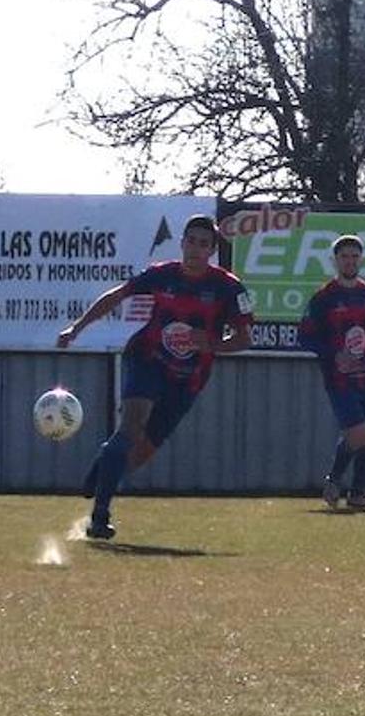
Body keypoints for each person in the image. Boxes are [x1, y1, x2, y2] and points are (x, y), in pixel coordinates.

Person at [56, 214, 253, 539]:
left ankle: (104, 463)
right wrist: (75, 329)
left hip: (188, 378)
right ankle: (100, 517)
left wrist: (213, 343)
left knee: (139, 454)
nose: (196, 249)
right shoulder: (162, 275)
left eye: (204, 244)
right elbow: (116, 297)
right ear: (182, 243)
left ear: (212, 251)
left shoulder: (228, 287)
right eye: (191, 241)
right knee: (131, 428)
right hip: (147, 359)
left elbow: (245, 339)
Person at [298, 234, 365, 511]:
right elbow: (305, 338)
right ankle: (334, 480)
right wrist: (334, 353)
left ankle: (358, 494)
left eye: (355, 256)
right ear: (335, 260)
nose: (350, 261)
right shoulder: (324, 297)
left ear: (361, 259)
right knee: (357, 435)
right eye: (345, 256)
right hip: (338, 379)